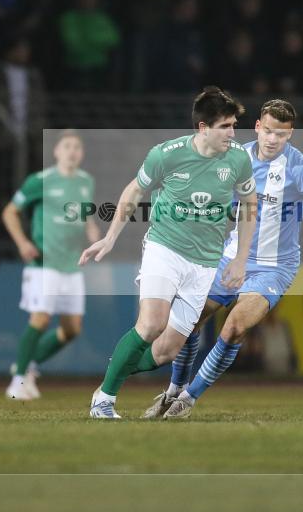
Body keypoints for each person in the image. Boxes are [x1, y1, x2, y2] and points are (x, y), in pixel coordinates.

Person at [141, 99, 303, 419]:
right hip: (230, 258)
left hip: (274, 268)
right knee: (189, 320)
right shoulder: (234, 157)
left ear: (290, 135)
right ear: (257, 127)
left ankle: (188, 399)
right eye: (268, 131)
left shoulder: (298, 168)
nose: (272, 140)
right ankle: (172, 391)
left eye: (281, 135)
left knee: (235, 326)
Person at [80, 86, 257, 419]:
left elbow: (250, 204)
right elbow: (134, 191)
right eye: (225, 126)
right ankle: (104, 399)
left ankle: (114, 370)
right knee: (151, 325)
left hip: (205, 262)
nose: (232, 134)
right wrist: (110, 238)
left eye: (234, 125)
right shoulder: (166, 154)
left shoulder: (237, 159)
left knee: (166, 351)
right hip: (165, 248)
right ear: (203, 128)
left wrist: (240, 258)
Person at [2, 130, 101, 400]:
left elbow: (86, 216)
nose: (72, 151)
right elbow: (10, 211)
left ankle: (27, 364)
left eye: (77, 147)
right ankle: (18, 382)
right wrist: (22, 243)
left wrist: (93, 231)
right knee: (41, 317)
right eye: (66, 146)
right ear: (56, 151)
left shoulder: (85, 182)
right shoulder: (39, 181)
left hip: (71, 264)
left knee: (71, 330)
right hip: (43, 262)